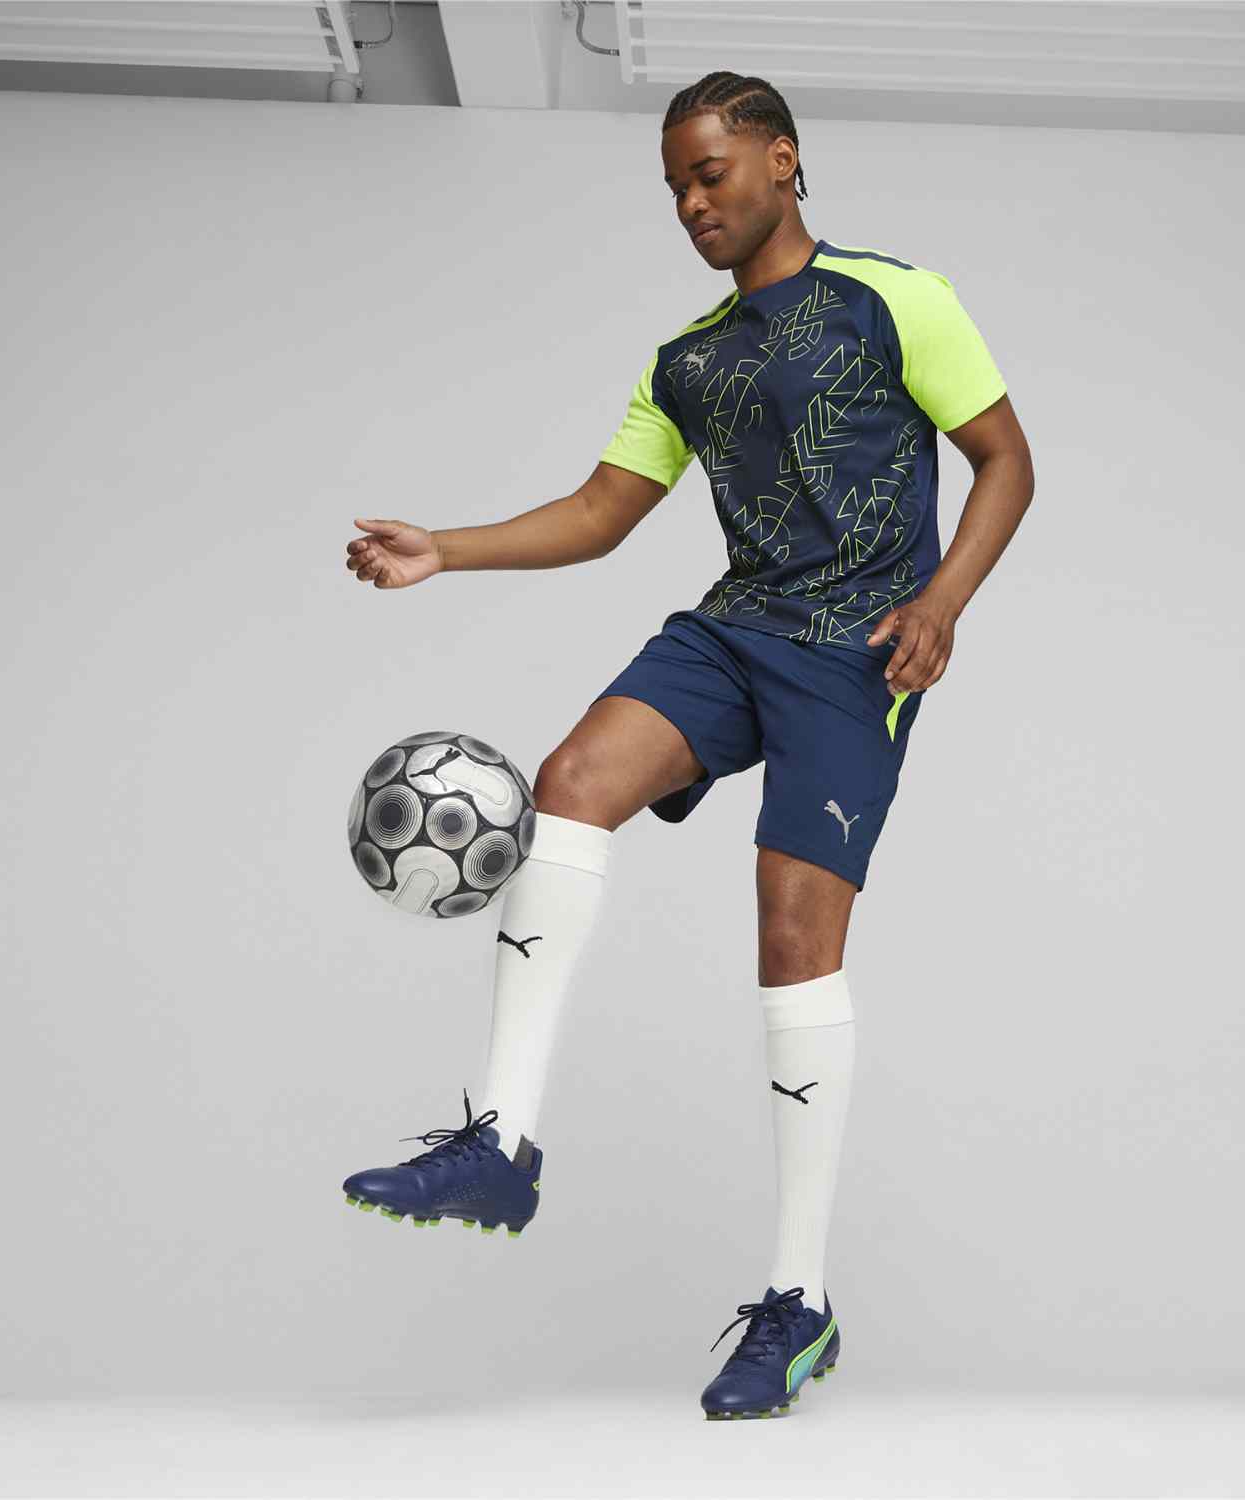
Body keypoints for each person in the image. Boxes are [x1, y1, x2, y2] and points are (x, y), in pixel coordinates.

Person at [340, 70, 1035, 1421]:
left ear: (782, 159)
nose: (692, 204)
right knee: (569, 785)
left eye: (711, 174)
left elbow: (1006, 459)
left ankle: (798, 1301)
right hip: (735, 629)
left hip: (853, 651)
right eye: (674, 187)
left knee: (791, 935)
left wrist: (943, 603)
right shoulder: (687, 359)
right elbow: (603, 513)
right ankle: (501, 1143)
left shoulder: (897, 299)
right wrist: (447, 549)